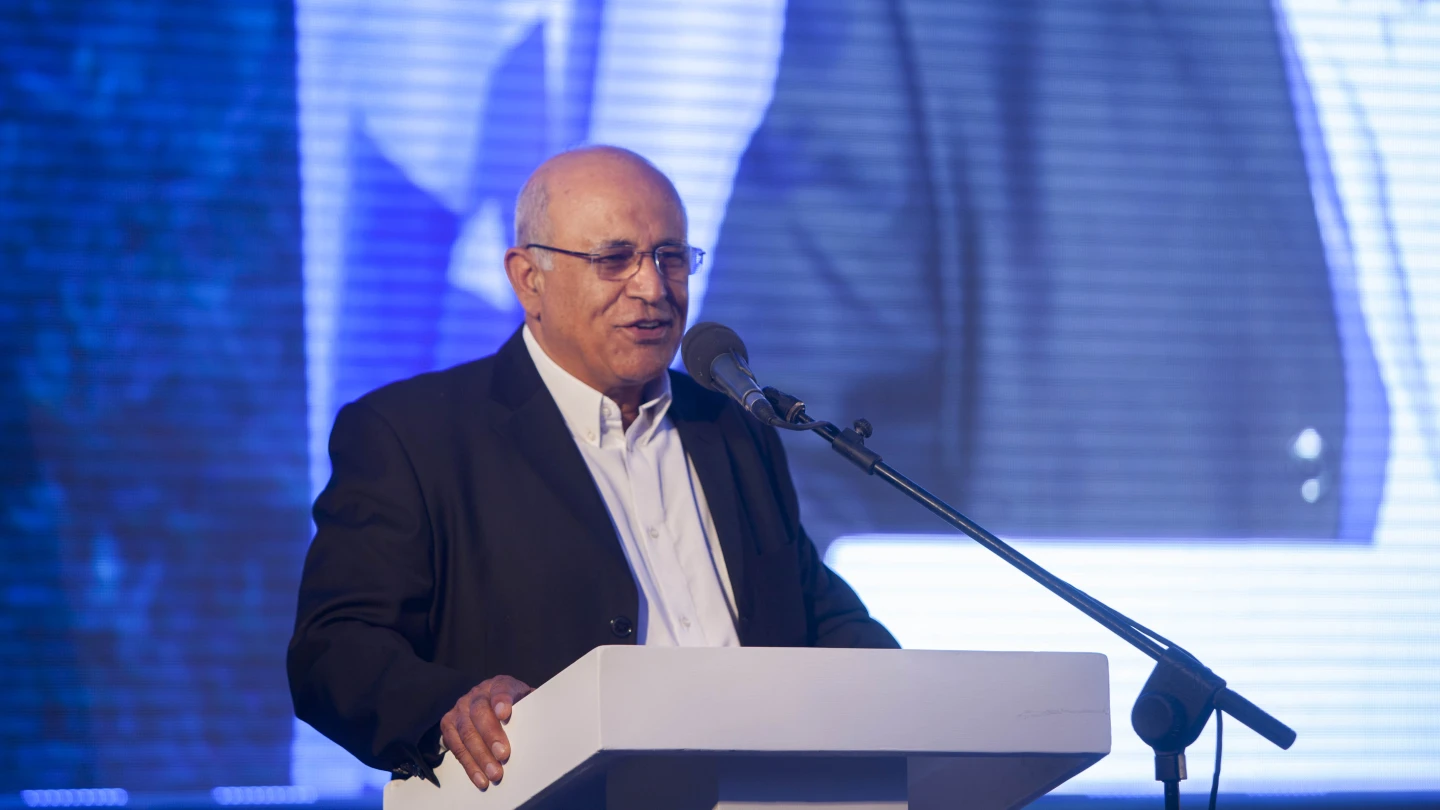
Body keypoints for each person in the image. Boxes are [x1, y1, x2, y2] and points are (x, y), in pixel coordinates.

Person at [287, 145, 898, 790]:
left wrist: (918, 695)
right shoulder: (414, 436)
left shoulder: (733, 427)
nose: (654, 288)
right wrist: (452, 705)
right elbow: (335, 649)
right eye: (614, 259)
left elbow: (817, 616)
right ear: (529, 280)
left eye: (671, 257)